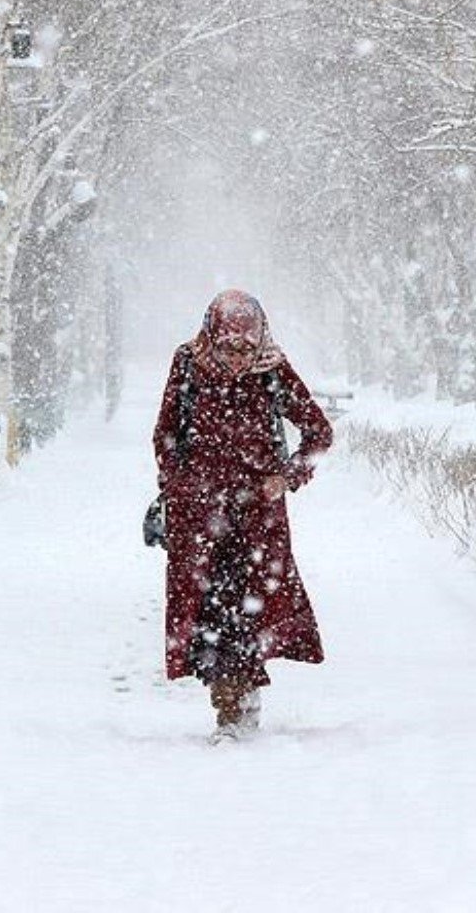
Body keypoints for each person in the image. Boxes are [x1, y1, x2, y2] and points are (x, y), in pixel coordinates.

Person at [152, 289, 334, 739]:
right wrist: (179, 485)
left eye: (246, 348)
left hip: (258, 519)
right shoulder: (188, 364)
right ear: (212, 336)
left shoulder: (272, 370)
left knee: (249, 611)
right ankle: (229, 704)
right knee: (209, 613)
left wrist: (286, 477)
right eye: (229, 347)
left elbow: (318, 432)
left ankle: (238, 706)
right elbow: (166, 434)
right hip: (200, 517)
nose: (237, 358)